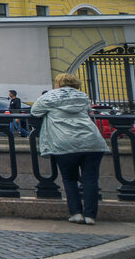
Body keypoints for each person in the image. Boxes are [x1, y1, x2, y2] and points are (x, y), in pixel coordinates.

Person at [30, 73, 109, 224]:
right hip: (91, 141)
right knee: (91, 180)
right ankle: (90, 216)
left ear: (58, 84)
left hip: (64, 143)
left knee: (69, 179)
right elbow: (86, 111)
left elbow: (35, 111)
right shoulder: (83, 96)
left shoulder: (50, 97)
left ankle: (76, 213)